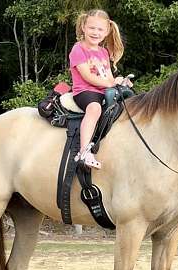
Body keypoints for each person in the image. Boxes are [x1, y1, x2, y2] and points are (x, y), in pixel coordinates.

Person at [69, 9, 131, 169]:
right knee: (95, 109)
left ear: (107, 31)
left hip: (104, 91)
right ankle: (83, 151)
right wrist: (110, 84)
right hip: (85, 92)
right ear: (83, 27)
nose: (95, 32)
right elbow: (87, 76)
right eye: (92, 28)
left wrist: (119, 82)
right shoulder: (78, 49)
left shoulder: (103, 52)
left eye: (100, 29)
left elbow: (109, 78)